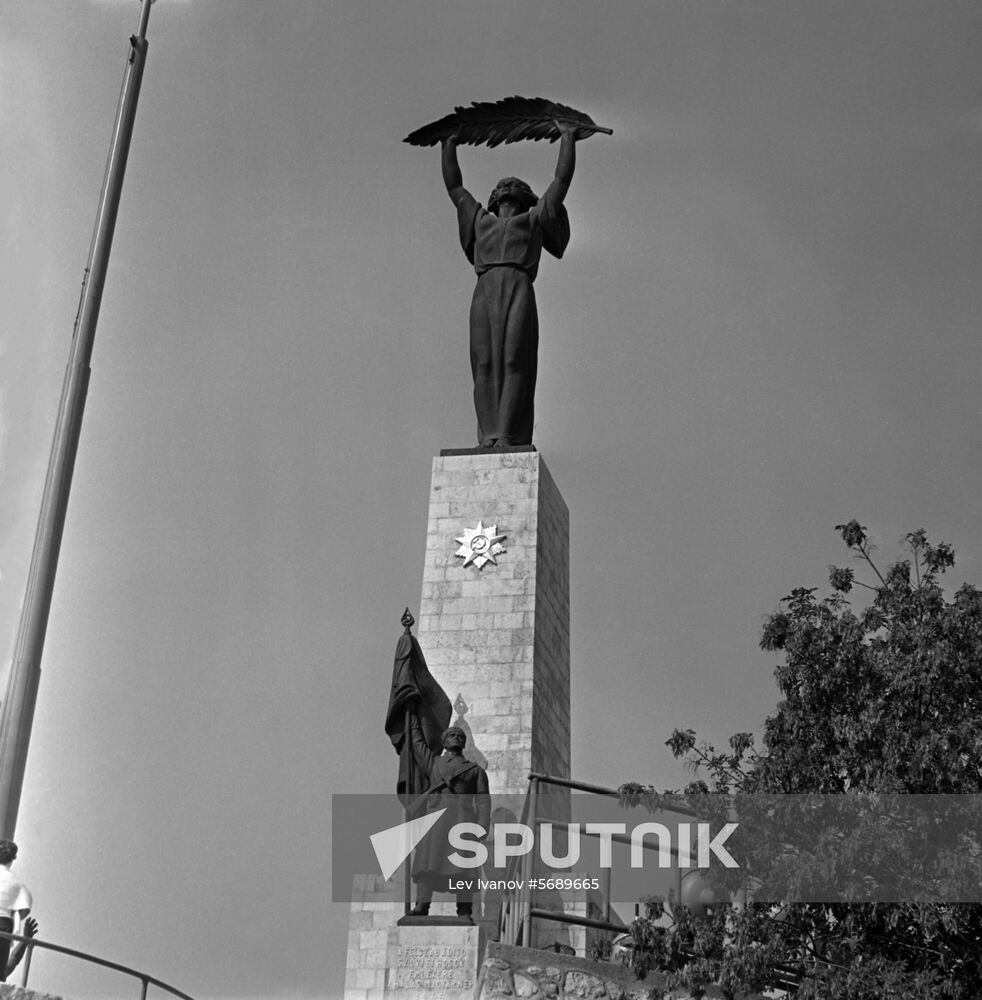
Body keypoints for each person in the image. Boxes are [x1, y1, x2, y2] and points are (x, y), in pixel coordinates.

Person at [441, 122, 580, 447]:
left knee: (514, 360)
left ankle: (506, 433)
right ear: (493, 197)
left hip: (518, 287)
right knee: (484, 364)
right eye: (502, 184)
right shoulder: (480, 220)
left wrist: (567, 137)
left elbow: (561, 181)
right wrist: (449, 144)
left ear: (524, 196)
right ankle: (488, 436)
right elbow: (455, 188)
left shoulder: (532, 219)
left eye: (513, 184)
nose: (505, 185)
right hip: (485, 290)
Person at [407, 721, 491, 922]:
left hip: (462, 819)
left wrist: (482, 826)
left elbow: (483, 800)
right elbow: (417, 745)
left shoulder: (475, 770)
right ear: (444, 742)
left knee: (464, 867)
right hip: (436, 817)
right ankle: (422, 905)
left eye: (460, 736)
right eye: (452, 735)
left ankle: (464, 910)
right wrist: (413, 719)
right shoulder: (434, 763)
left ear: (464, 743)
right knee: (428, 863)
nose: (456, 738)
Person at [0, 840, 33, 981]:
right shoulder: (19, 886)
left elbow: (13, 960)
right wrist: (25, 940)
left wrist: (25, 940)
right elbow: (13, 960)